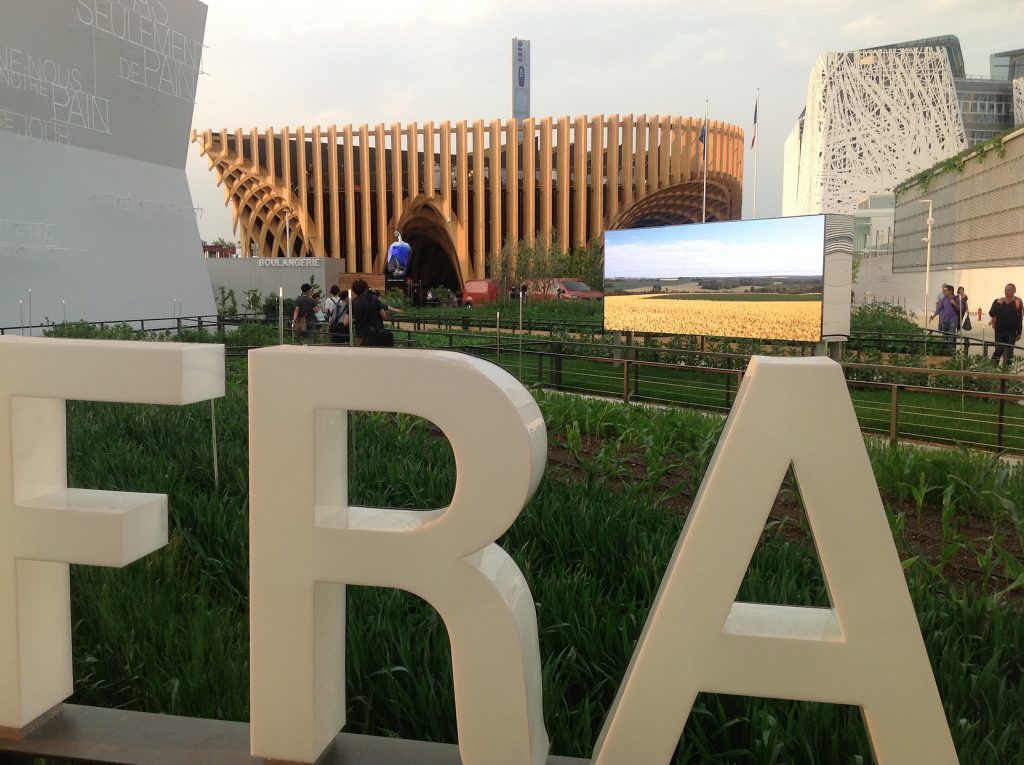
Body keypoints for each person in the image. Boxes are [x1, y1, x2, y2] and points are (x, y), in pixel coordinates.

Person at [344, 279, 396, 346]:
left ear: (354, 291)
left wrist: (356, 320)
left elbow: (346, 323)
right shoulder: (374, 298)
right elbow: (383, 316)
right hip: (377, 334)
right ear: (365, 289)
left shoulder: (352, 302)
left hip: (361, 335)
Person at [989, 283, 1023, 365]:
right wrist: (998, 304)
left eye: (1009, 290)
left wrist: (1019, 332)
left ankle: (1006, 375)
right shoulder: (997, 301)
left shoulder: (1018, 302)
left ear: (1014, 291)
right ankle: (991, 371)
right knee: (997, 351)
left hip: (1011, 332)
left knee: (1009, 354)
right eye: (1005, 289)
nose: (1006, 291)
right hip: (999, 331)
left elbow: (1020, 318)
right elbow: (992, 314)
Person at [930, 284, 960, 351]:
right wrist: (934, 315)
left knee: (951, 337)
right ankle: (945, 351)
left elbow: (960, 309)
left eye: (945, 290)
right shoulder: (943, 299)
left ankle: (951, 352)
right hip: (945, 320)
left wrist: (954, 303)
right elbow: (939, 309)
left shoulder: (956, 298)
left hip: (953, 320)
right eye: (943, 290)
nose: (943, 291)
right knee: (944, 337)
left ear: (950, 291)